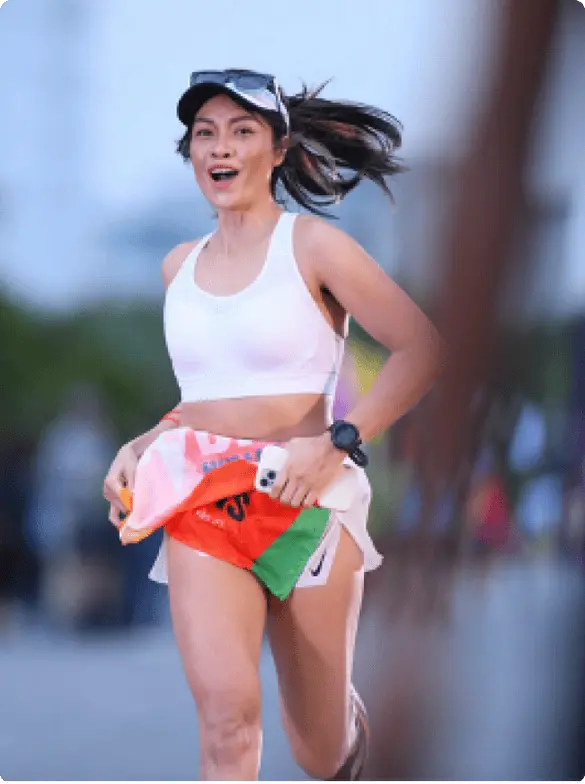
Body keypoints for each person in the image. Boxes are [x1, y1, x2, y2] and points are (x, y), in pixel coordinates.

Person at [103, 69, 441, 781]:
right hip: (205, 504)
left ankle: (342, 721)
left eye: (241, 131)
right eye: (205, 134)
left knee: (321, 751)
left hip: (308, 501)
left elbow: (420, 349)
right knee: (227, 720)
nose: (220, 147)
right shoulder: (177, 268)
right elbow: (205, 399)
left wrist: (339, 443)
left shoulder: (313, 247)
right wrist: (139, 444)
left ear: (279, 149)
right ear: (191, 153)